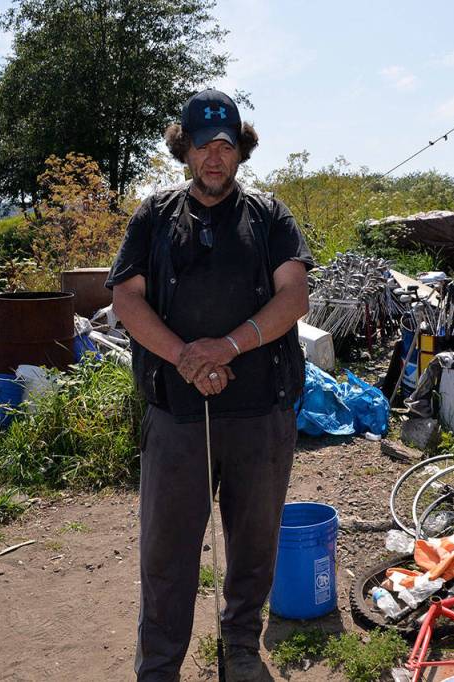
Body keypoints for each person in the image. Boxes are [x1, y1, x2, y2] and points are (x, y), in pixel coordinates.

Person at [107, 88, 314, 682]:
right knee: (166, 555)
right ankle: (159, 666)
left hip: (259, 414)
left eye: (226, 145)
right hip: (175, 416)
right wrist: (185, 358)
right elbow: (126, 298)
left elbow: (293, 296)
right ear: (185, 150)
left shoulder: (271, 217)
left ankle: (241, 648)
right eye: (203, 146)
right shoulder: (153, 216)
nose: (215, 157)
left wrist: (225, 348)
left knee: (253, 545)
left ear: (241, 150)